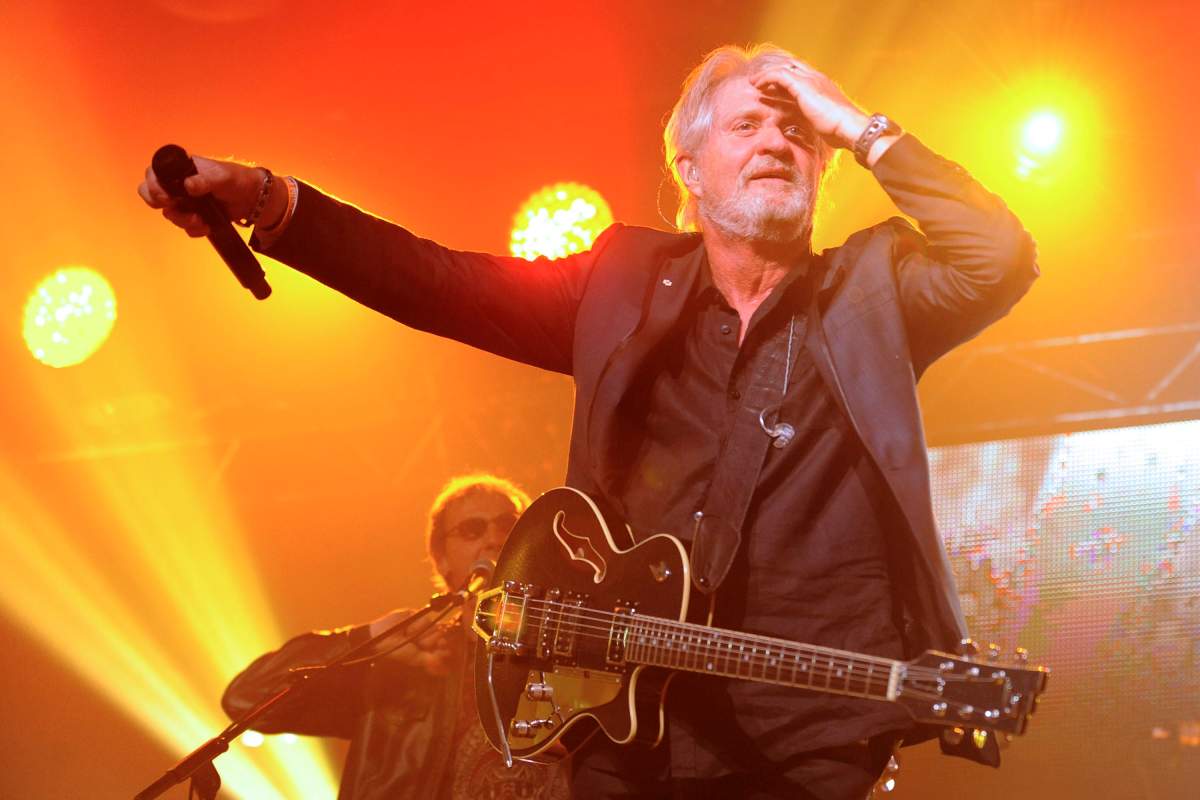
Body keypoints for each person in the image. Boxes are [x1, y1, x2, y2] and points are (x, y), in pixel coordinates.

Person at [143, 43, 1038, 800]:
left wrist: (855, 124)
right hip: (625, 732)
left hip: (810, 739)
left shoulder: (874, 290)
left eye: (799, 131)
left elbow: (998, 255)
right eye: (747, 126)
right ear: (690, 170)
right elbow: (441, 284)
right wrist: (267, 199)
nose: (778, 140)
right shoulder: (621, 283)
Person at [221, 474, 571, 800]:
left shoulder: (573, 654)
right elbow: (246, 698)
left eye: (508, 525)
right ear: (442, 560)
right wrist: (369, 637)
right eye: (471, 530)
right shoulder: (400, 669)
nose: (493, 540)